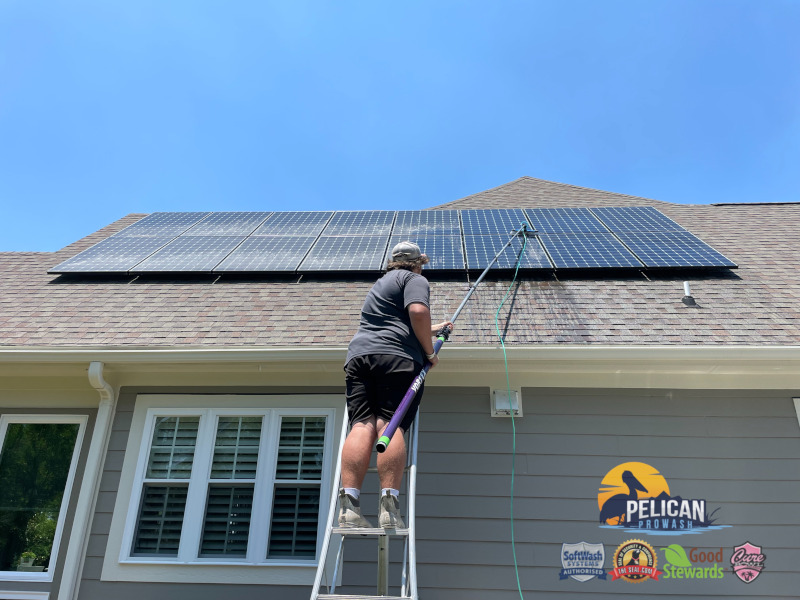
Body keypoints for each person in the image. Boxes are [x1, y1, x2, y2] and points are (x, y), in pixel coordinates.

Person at [339, 241, 453, 529]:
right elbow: (416, 312)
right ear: (418, 263)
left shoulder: (381, 284)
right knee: (391, 425)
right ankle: (389, 508)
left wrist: (437, 329)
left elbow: (398, 322)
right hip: (397, 359)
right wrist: (429, 352)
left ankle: (349, 507)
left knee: (362, 425)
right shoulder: (415, 278)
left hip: (360, 357)